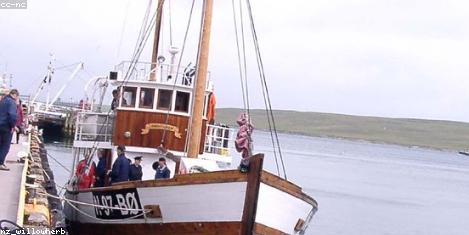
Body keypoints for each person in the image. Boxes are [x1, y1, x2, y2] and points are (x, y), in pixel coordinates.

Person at [0, 89, 19, 171]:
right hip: (6, 126)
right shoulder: (12, 102)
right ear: (15, 95)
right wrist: (13, 126)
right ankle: (0, 163)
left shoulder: (3, 100)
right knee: (5, 145)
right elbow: (12, 115)